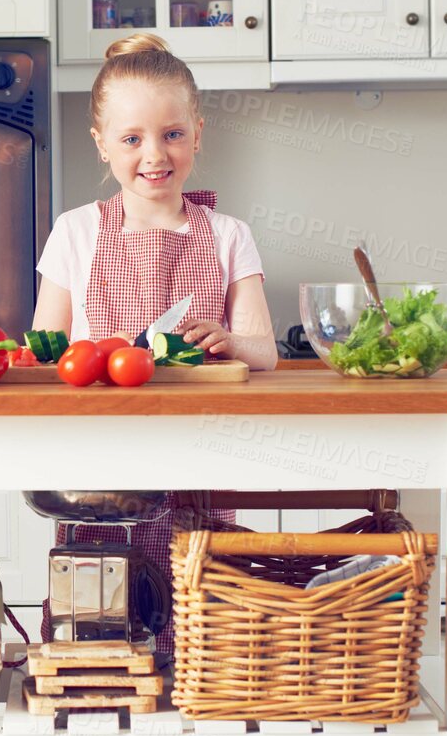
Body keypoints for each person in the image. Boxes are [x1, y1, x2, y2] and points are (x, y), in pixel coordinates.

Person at [32, 32, 277, 656]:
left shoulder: (229, 235)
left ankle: (199, 710)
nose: (154, 155)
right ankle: (98, 709)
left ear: (198, 133)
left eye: (172, 134)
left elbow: (265, 353)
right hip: (99, 464)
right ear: (102, 143)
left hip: (203, 456)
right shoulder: (74, 231)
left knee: (201, 612)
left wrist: (230, 340)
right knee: (98, 617)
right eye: (132, 138)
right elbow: (43, 350)